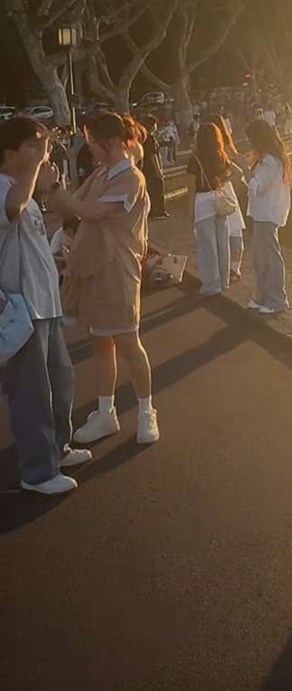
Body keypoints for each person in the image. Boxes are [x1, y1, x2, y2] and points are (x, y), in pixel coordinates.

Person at [49, 112, 159, 445]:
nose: (90, 149)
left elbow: (91, 212)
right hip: (96, 269)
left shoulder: (131, 179)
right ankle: (105, 412)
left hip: (118, 271)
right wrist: (49, 183)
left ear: (109, 143)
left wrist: (53, 186)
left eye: (92, 143)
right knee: (101, 343)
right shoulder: (101, 173)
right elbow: (71, 208)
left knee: (129, 343)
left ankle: (146, 411)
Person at [0, 116, 92, 495]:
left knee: (60, 382)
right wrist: (37, 168)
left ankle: (57, 449)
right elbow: (11, 210)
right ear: (10, 152)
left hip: (45, 302)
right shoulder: (7, 189)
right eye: (33, 144)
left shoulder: (25, 189)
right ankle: (37, 472)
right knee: (31, 392)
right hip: (22, 309)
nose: (42, 151)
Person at [187, 123, 244, 296]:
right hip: (219, 203)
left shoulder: (195, 159)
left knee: (208, 246)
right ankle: (224, 281)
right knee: (222, 245)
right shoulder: (221, 156)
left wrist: (190, 209)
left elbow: (191, 188)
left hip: (203, 203)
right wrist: (223, 181)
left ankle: (211, 285)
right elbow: (239, 173)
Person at [244, 120, 292, 315]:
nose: (250, 144)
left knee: (270, 256)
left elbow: (258, 186)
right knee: (260, 257)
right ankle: (263, 295)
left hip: (268, 214)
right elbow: (254, 184)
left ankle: (277, 299)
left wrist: (244, 169)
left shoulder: (271, 161)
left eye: (252, 140)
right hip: (261, 213)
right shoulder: (266, 159)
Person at [214, 115, 247, 283]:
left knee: (227, 232)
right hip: (226, 191)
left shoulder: (219, 147)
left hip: (218, 190)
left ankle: (230, 268)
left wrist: (222, 180)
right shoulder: (226, 146)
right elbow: (240, 170)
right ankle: (234, 268)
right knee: (234, 230)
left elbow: (238, 171)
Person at [141, 115, 169, 219]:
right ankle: (159, 210)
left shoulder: (143, 138)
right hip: (152, 168)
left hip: (146, 168)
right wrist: (158, 170)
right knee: (157, 188)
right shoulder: (150, 138)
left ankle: (152, 210)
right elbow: (153, 155)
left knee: (150, 189)